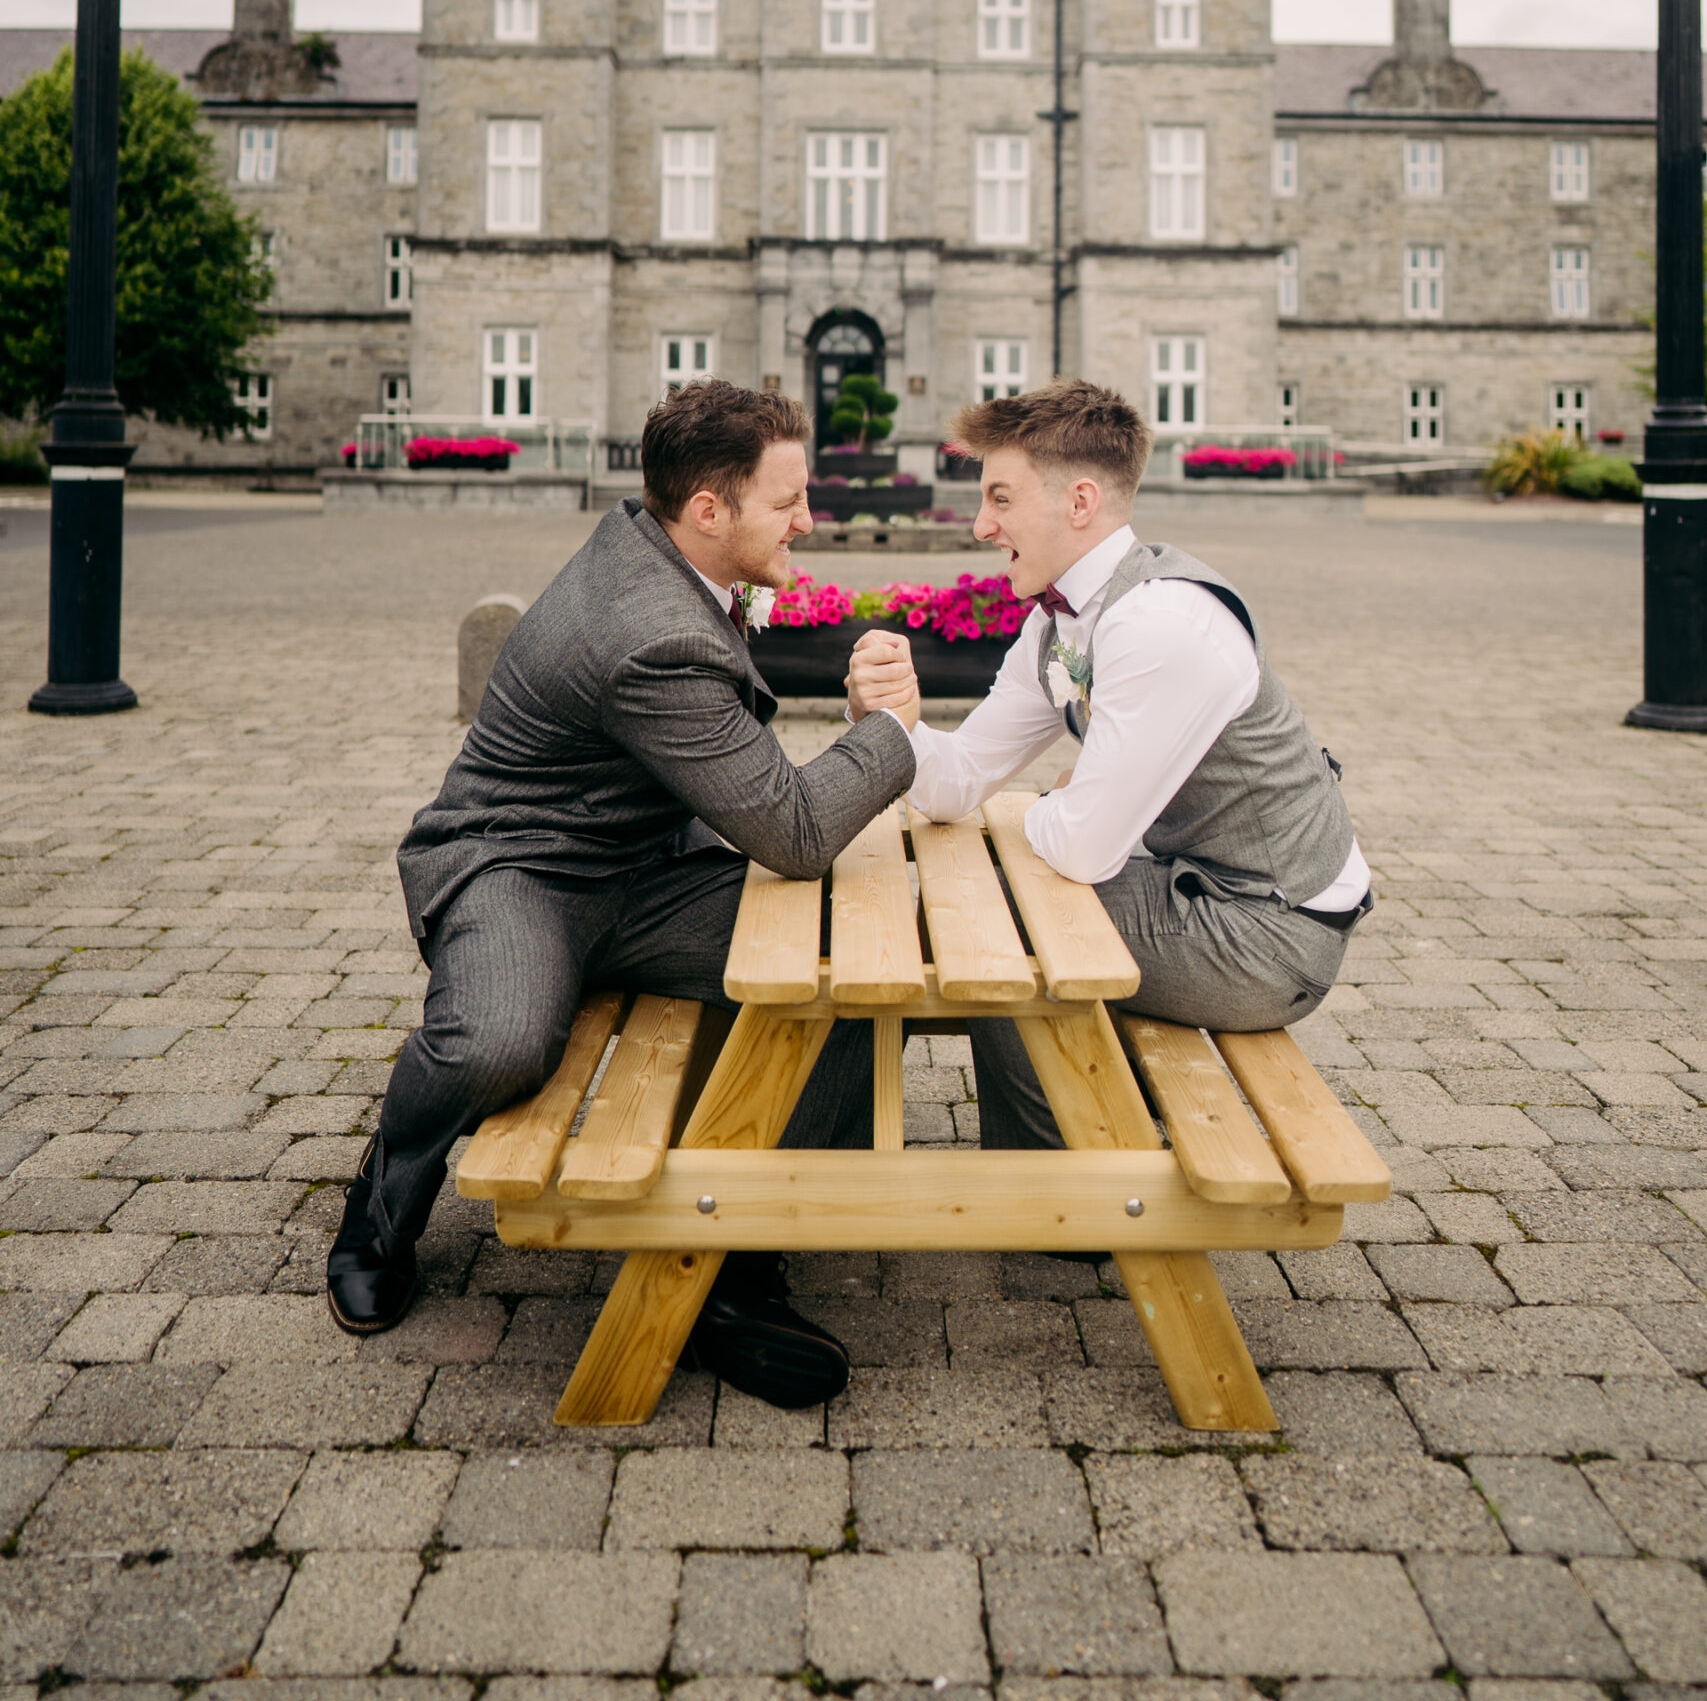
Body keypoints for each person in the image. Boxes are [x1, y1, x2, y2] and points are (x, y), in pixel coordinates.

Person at [328, 378, 919, 1406]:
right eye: (787, 501)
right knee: (503, 1039)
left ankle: (731, 1265)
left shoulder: (666, 555)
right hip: (521, 867)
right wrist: (886, 731)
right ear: (707, 510)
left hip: (644, 868)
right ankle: (384, 1197)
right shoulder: (650, 627)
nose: (808, 519)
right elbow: (794, 829)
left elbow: (749, 788)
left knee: (854, 976)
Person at [845, 377, 1371, 1152]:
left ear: (1080, 502)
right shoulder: (1062, 616)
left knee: (995, 932)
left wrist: (1062, 806)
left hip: (1271, 929)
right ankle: (1017, 1142)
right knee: (974, 904)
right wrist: (885, 720)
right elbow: (955, 783)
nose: (982, 525)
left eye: (1000, 499)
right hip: (1196, 883)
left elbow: (1086, 845)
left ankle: (1067, 1180)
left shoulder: (1159, 622)